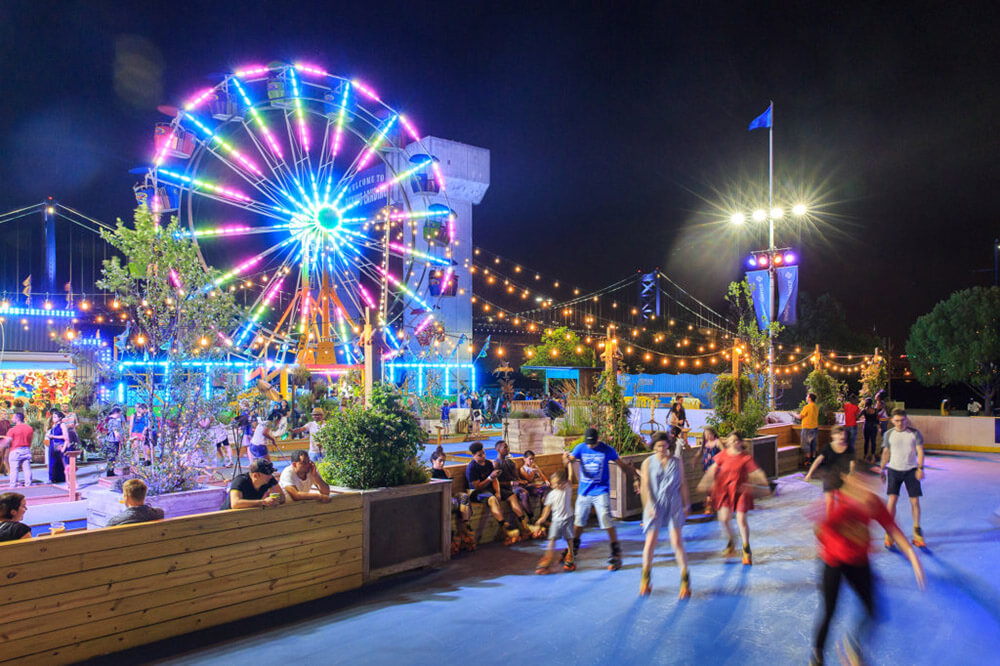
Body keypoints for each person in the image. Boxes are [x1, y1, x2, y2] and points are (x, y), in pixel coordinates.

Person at [810, 468, 925, 666]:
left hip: (858, 562)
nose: (863, 488)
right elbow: (820, 528)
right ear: (847, 479)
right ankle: (818, 656)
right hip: (833, 562)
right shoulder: (837, 502)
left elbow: (894, 531)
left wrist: (914, 559)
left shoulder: (872, 503)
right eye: (859, 483)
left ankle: (853, 644)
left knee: (872, 609)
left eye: (867, 484)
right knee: (829, 611)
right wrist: (840, 531)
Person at [564, 427, 641, 570]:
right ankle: (572, 549)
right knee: (579, 521)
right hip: (584, 492)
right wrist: (565, 459)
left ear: (598, 439)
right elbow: (569, 459)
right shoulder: (580, 448)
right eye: (589, 443)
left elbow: (622, 466)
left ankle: (615, 550)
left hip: (601, 491)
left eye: (593, 443)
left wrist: (635, 478)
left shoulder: (607, 449)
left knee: (606, 518)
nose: (591, 446)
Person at [697, 432, 769, 565]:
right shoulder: (722, 455)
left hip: (741, 490)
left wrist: (763, 483)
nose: (734, 443)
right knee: (724, 519)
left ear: (741, 442)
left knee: (741, 519)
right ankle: (732, 540)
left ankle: (746, 547)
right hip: (724, 490)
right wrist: (705, 482)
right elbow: (713, 469)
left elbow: (757, 472)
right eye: (731, 440)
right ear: (728, 442)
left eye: (737, 440)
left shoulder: (745, 458)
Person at [639, 431, 691, 598]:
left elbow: (683, 483)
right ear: (653, 447)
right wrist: (648, 506)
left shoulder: (677, 462)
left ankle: (685, 578)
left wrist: (686, 503)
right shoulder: (647, 463)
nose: (661, 448)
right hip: (654, 504)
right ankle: (646, 578)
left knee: (676, 541)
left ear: (669, 445)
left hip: (673, 502)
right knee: (651, 541)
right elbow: (644, 487)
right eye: (658, 446)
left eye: (664, 445)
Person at [879, 408, 926, 547]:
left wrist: (920, 468)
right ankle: (889, 531)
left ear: (906, 419)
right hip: (894, 470)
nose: (900, 423)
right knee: (892, 500)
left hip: (911, 470)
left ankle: (917, 530)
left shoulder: (914, 433)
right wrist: (882, 469)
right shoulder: (888, 434)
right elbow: (886, 452)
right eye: (897, 421)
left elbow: (920, 451)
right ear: (892, 421)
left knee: (915, 501)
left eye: (902, 420)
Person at [465, 441, 527, 543]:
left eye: (483, 453)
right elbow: (478, 486)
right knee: (492, 499)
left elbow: (495, 480)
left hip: (489, 488)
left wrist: (498, 491)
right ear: (473, 456)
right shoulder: (471, 468)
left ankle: (523, 522)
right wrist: (490, 478)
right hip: (475, 492)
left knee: (511, 495)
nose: (483, 456)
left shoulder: (489, 464)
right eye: (480, 455)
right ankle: (504, 526)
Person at [431, 448, 475, 553]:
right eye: (440, 461)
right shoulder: (430, 473)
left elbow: (452, 489)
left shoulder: (446, 472)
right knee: (449, 504)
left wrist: (449, 478)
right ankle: (459, 533)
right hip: (440, 500)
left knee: (464, 496)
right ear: (433, 461)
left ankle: (465, 524)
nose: (442, 464)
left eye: (443, 461)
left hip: (450, 497)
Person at [804, 425, 855, 515]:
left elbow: (852, 462)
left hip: (843, 479)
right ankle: (830, 525)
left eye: (843, 435)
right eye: (839, 434)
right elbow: (818, 461)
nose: (842, 437)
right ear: (833, 436)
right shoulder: (827, 448)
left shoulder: (849, 448)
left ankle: (842, 523)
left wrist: (851, 474)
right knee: (830, 503)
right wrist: (809, 473)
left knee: (843, 504)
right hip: (829, 478)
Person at [533, 469, 576, 574]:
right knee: (552, 539)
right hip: (556, 520)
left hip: (568, 518)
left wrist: (569, 463)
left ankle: (570, 555)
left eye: (556, 483)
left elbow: (570, 475)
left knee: (569, 539)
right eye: (552, 483)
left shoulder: (567, 488)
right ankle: (547, 559)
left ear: (563, 483)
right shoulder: (551, 494)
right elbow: (547, 508)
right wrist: (542, 519)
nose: (553, 485)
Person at [494, 440, 534, 525]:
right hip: (507, 488)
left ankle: (545, 519)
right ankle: (531, 518)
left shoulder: (510, 462)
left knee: (542, 488)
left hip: (517, 486)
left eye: (507, 446)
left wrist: (521, 480)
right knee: (524, 493)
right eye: (505, 447)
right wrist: (512, 483)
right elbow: (496, 483)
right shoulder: (496, 464)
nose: (508, 449)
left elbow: (517, 478)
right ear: (498, 449)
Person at [3, 413, 35, 489]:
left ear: (17, 419)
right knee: (27, 469)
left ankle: (13, 485)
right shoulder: (30, 428)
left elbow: (7, 442)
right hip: (26, 449)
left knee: (14, 470)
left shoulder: (12, 430)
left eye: (13, 417)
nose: (11, 419)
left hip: (16, 450)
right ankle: (29, 484)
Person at [792, 393, 820, 466]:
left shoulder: (807, 407)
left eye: (807, 396)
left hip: (807, 428)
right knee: (813, 444)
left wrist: (794, 414)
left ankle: (807, 461)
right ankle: (813, 459)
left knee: (806, 444)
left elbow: (800, 417)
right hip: (815, 427)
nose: (806, 398)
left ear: (810, 398)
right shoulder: (816, 407)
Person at [700, 426, 722, 513]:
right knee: (709, 487)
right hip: (707, 468)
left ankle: (716, 504)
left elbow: (724, 452)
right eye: (706, 435)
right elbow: (701, 451)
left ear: (713, 434)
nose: (708, 436)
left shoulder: (717, 442)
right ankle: (710, 505)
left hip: (715, 467)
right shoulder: (705, 443)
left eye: (709, 434)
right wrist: (695, 459)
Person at [100, 407, 126, 477]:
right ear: (116, 413)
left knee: (109, 457)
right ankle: (110, 473)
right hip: (113, 441)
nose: (119, 416)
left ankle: (109, 471)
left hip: (107, 441)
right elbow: (116, 433)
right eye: (119, 414)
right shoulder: (114, 421)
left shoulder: (106, 419)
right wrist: (121, 441)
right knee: (113, 457)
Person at [46, 410, 69, 484]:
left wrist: (53, 436)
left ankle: (65, 479)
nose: (53, 418)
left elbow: (65, 436)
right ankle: (52, 478)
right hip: (52, 445)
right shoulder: (53, 426)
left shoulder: (62, 425)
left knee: (62, 463)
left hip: (59, 445)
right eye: (53, 417)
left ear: (60, 418)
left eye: (55, 417)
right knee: (52, 462)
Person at [859, 398, 880, 464]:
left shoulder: (864, 410)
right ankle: (873, 457)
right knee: (873, 442)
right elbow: (877, 420)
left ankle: (865, 457)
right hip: (873, 427)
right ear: (871, 403)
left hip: (866, 426)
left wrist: (863, 418)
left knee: (866, 441)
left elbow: (858, 417)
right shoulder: (875, 410)